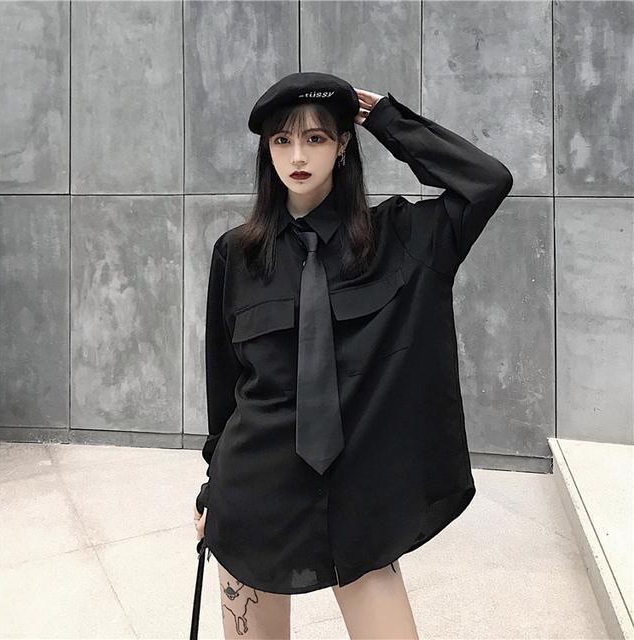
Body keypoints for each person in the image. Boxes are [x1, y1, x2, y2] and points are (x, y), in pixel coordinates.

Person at [193, 72, 513, 639]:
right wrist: (212, 486)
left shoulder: (402, 237)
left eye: (315, 138)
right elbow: (227, 388)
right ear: (266, 150)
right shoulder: (237, 254)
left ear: (343, 144)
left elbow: (487, 182)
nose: (297, 156)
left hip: (361, 499)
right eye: (282, 140)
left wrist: (387, 119)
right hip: (255, 495)